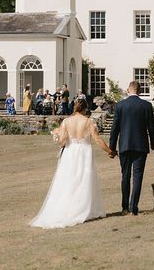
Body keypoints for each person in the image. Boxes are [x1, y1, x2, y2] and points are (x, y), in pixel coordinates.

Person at [30, 97, 114, 228]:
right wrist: (109, 151)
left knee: (69, 180)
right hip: (84, 152)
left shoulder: (66, 121)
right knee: (84, 180)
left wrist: (57, 135)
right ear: (85, 108)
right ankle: (82, 208)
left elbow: (62, 142)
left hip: (70, 152)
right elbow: (97, 139)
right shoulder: (88, 121)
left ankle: (69, 208)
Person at [108, 80, 154, 216]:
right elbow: (152, 128)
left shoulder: (120, 106)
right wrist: (153, 143)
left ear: (128, 90)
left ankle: (125, 207)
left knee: (125, 176)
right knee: (138, 177)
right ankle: (133, 207)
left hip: (124, 145)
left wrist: (112, 148)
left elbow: (114, 129)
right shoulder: (146, 106)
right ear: (140, 91)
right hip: (141, 146)